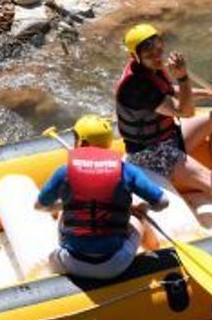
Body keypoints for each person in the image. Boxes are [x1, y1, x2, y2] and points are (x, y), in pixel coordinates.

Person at [114, 23, 212, 217]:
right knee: (206, 177)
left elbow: (171, 91)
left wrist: (207, 92)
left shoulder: (152, 68)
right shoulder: (137, 87)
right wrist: (183, 77)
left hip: (168, 139)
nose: (157, 57)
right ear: (135, 57)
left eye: (158, 50)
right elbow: (185, 111)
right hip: (150, 155)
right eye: (149, 54)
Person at [36, 115, 170, 279]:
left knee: (66, 212)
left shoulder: (64, 171)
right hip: (115, 264)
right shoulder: (126, 170)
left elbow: (39, 206)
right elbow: (163, 202)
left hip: (72, 262)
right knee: (136, 218)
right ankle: (155, 251)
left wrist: (65, 205)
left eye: (76, 138)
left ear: (83, 143)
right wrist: (142, 208)